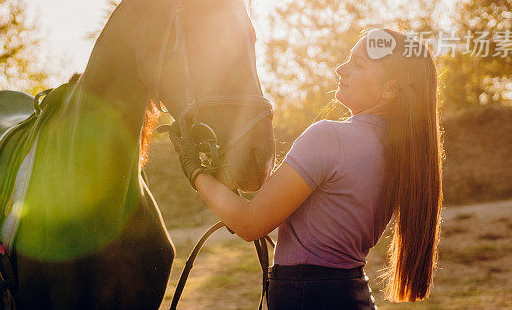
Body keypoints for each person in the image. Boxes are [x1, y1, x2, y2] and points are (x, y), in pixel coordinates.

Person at [169, 28, 443, 309]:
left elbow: (250, 223)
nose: (341, 69)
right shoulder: (401, 151)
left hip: (306, 297)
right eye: (348, 59)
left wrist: (193, 169)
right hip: (351, 293)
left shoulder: (329, 137)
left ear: (391, 89)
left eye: (358, 64)